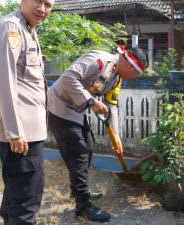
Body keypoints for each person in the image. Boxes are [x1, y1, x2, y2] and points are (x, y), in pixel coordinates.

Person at [47, 45, 148, 223]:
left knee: (88, 148)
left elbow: (112, 107)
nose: (135, 77)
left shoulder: (116, 79)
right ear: (131, 66)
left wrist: (116, 137)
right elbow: (68, 78)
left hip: (76, 109)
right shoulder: (99, 60)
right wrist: (92, 102)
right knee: (78, 153)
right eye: (136, 73)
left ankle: (79, 190)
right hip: (59, 105)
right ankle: (83, 207)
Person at [0, 0, 54, 224]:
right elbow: (4, 82)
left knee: (16, 196)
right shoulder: (11, 28)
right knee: (26, 199)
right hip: (20, 135)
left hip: (27, 133)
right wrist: (15, 131)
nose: (42, 9)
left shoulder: (27, 29)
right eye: (38, 1)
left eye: (48, 5)